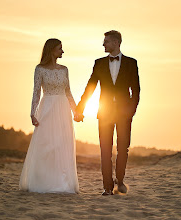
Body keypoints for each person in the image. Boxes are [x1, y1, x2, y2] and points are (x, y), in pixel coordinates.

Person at [75, 30, 140, 195]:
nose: (103, 44)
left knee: (123, 148)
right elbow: (90, 87)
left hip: (124, 114)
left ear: (117, 43)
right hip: (104, 113)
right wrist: (80, 108)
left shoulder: (131, 63)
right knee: (105, 149)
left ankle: (120, 180)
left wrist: (130, 111)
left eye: (107, 41)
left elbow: (136, 90)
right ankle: (107, 187)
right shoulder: (99, 63)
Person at [19, 38, 82, 193]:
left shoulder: (64, 69)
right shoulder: (39, 69)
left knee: (62, 145)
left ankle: (61, 182)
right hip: (47, 108)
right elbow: (36, 92)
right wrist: (32, 113)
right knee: (46, 144)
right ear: (52, 49)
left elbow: (68, 92)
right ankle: (43, 181)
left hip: (63, 109)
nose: (62, 51)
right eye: (60, 48)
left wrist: (76, 111)